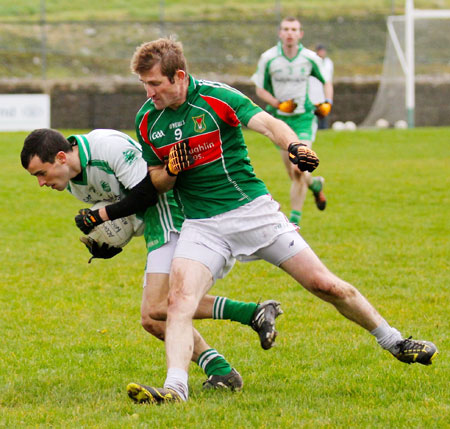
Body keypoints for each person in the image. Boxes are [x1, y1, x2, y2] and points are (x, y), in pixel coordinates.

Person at [124, 38, 438, 404]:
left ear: (179, 76)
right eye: (144, 84)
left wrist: (296, 148)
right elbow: (156, 180)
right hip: (201, 225)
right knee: (179, 301)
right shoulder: (147, 120)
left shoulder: (215, 99)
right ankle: (175, 389)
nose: (148, 93)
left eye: (155, 83)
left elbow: (271, 125)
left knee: (325, 285)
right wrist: (171, 171)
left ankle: (395, 341)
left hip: (252, 212)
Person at [20, 128, 284, 392]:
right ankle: (222, 367)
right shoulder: (74, 184)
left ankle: (248, 317)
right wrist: (110, 243)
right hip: (155, 223)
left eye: (41, 173)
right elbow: (126, 214)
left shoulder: (107, 147)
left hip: (173, 212)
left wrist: (101, 216)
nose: (41, 183)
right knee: (152, 318)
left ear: (61, 158)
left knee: (158, 307)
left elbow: (147, 192)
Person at [251, 17, 333, 226]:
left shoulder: (310, 58)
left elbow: (327, 82)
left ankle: (294, 222)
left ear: (300, 34)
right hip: (279, 121)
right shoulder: (268, 58)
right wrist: (278, 104)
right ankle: (315, 185)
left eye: (294, 29)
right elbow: (260, 89)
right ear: (280, 33)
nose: (290, 33)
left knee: (299, 167)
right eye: (286, 29)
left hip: (304, 119)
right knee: (293, 173)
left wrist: (327, 103)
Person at [309, 44, 334, 130]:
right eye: (320, 50)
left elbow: (328, 79)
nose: (322, 52)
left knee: (323, 113)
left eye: (323, 50)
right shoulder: (313, 62)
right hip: (313, 91)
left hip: (323, 92)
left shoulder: (328, 62)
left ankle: (324, 128)